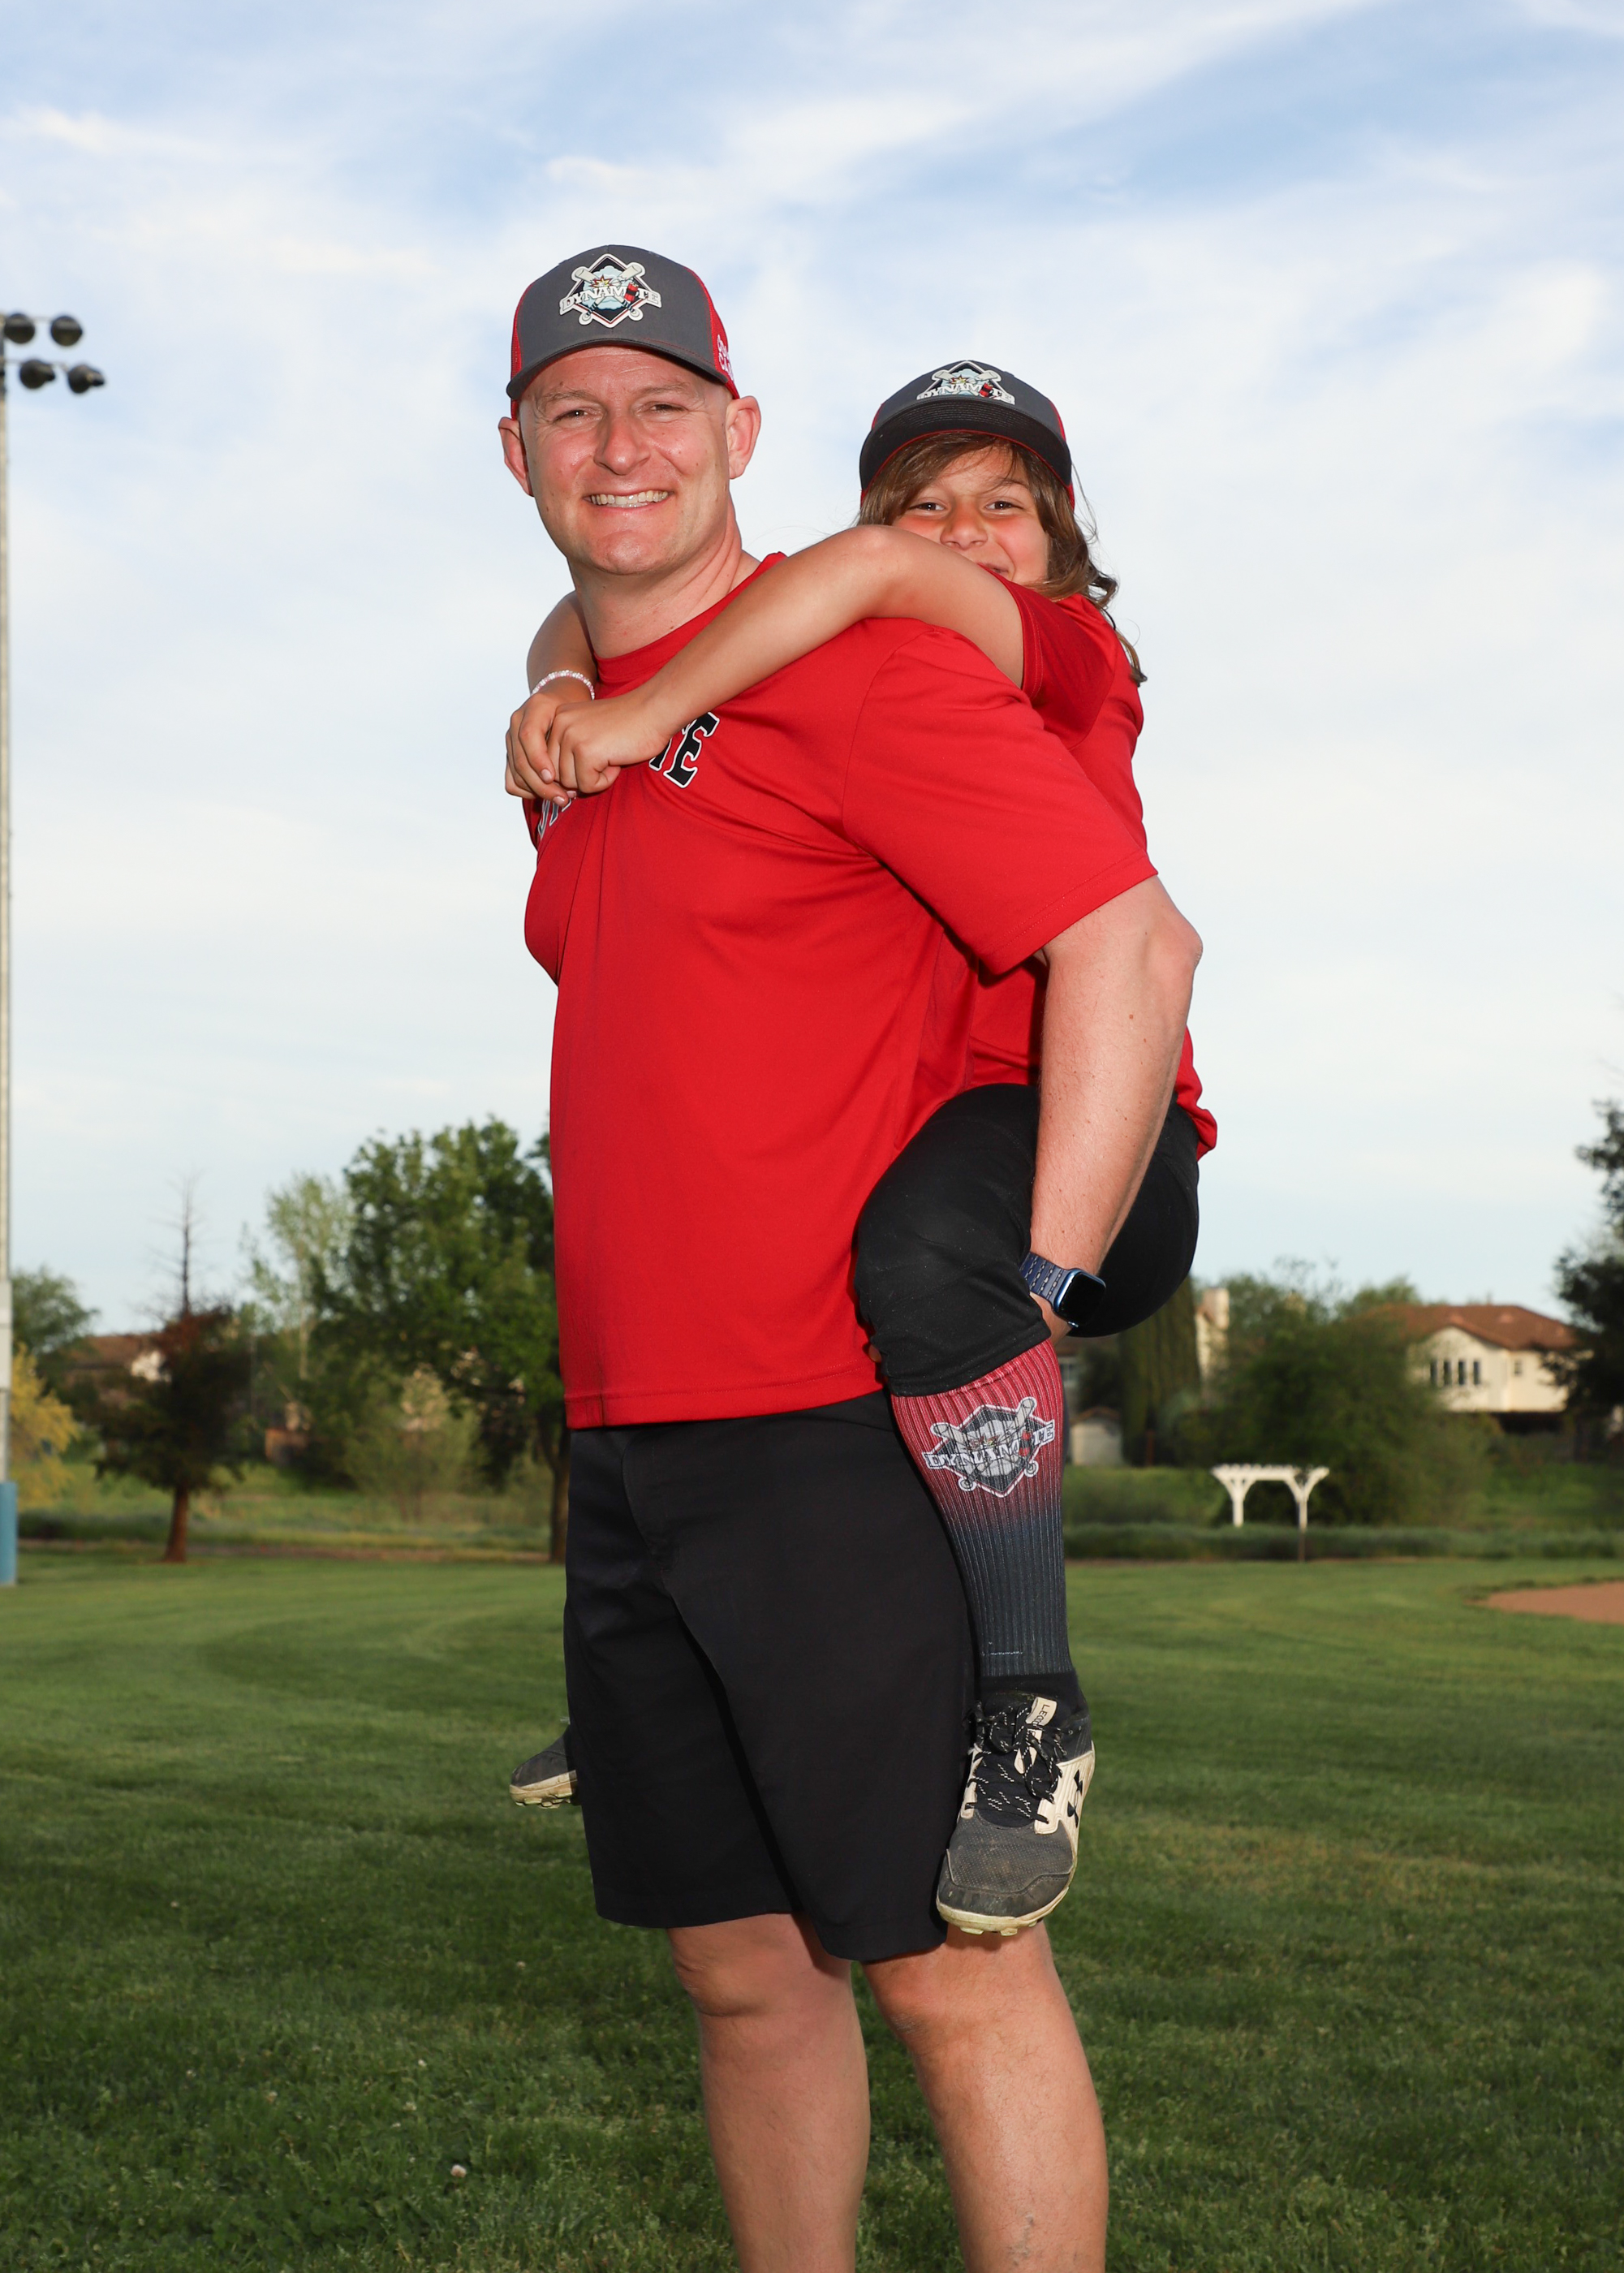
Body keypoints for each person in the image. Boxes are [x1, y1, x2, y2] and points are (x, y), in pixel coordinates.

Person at [498, 241, 1200, 2273]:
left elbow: (1128, 942)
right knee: (738, 1974)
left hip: (829, 1420)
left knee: (946, 1973)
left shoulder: (875, 660)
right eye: (570, 409)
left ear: (738, 431)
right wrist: (569, 689)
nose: (618, 444)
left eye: (661, 404)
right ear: (517, 451)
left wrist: (1034, 1291)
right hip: (632, 1434)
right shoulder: (579, 733)